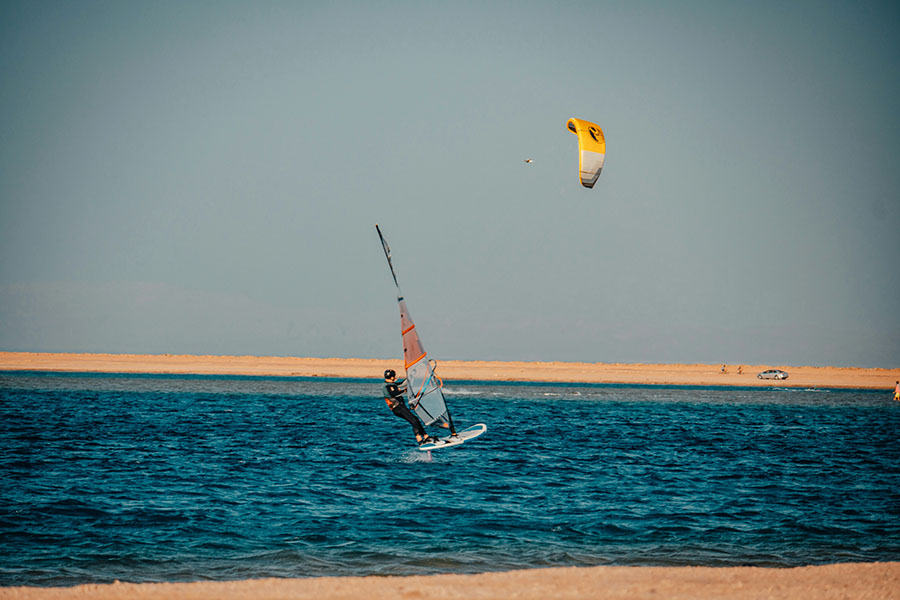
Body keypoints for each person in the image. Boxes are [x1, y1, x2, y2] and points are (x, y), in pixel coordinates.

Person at [383, 369, 436, 445]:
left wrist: (410, 377)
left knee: (415, 420)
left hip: (399, 408)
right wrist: (404, 391)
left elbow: (402, 384)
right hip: (398, 408)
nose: (394, 378)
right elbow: (395, 394)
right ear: (392, 377)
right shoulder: (388, 386)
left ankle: (426, 436)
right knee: (414, 421)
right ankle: (420, 441)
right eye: (394, 376)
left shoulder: (390, 384)